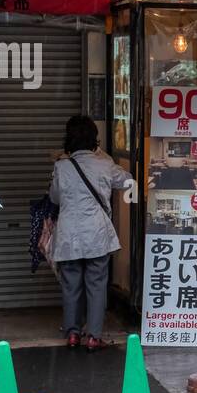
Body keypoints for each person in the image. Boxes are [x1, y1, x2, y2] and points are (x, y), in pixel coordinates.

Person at [49, 116, 132, 352]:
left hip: (69, 235)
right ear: (94, 139)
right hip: (96, 234)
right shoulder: (104, 165)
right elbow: (128, 181)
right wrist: (106, 159)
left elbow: (55, 198)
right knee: (96, 285)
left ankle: (73, 334)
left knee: (71, 285)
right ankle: (94, 336)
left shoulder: (61, 167)